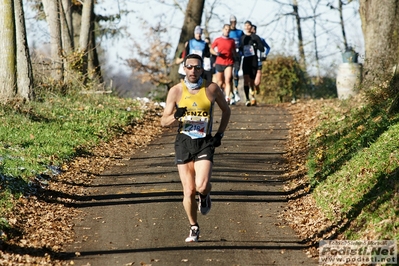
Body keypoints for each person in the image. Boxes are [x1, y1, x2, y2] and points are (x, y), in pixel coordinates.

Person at [160, 54, 231, 242]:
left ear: (202, 69)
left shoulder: (211, 89)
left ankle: (205, 195)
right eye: (190, 67)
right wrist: (176, 115)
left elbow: (226, 110)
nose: (193, 71)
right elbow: (163, 122)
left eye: (197, 68)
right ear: (184, 68)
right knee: (189, 191)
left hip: (205, 142)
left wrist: (220, 134)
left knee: (202, 185)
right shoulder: (175, 91)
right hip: (184, 142)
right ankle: (194, 226)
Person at [239, 20, 265, 106]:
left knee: (252, 81)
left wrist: (256, 45)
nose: (247, 27)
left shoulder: (255, 37)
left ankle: (253, 97)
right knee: (245, 80)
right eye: (245, 25)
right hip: (246, 60)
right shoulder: (242, 38)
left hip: (253, 60)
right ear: (244, 27)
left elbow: (262, 48)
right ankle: (247, 99)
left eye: (248, 26)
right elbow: (239, 49)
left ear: (251, 27)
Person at [210, 24, 237, 105]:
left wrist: (237, 60)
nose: (227, 30)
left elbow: (234, 51)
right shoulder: (218, 40)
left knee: (228, 79)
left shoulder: (232, 41)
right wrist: (216, 53)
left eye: (228, 29)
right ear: (223, 30)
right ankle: (218, 96)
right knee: (220, 82)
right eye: (225, 29)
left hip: (229, 62)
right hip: (219, 62)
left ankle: (227, 97)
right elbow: (211, 49)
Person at [229, 15, 244, 104]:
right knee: (229, 77)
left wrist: (241, 53)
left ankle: (235, 90)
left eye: (234, 22)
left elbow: (243, 44)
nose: (233, 23)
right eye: (231, 22)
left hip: (237, 56)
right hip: (229, 57)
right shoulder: (228, 32)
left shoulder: (240, 32)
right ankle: (231, 94)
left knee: (236, 74)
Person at [251, 24, 271, 94]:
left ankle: (256, 86)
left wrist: (265, 54)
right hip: (250, 61)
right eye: (251, 29)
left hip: (259, 60)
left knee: (257, 78)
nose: (252, 30)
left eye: (254, 29)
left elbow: (268, 48)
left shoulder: (260, 39)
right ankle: (252, 93)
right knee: (250, 78)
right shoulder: (247, 39)